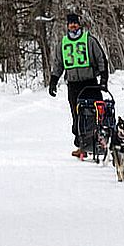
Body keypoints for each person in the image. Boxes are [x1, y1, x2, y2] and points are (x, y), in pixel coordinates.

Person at [48, 11, 110, 158]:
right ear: (67, 26)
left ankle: (102, 142)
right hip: (74, 85)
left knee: (97, 113)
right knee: (77, 116)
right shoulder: (63, 43)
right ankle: (82, 146)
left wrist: (104, 78)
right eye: (70, 24)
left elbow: (101, 58)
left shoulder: (89, 40)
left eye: (75, 23)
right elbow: (58, 64)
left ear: (79, 24)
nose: (73, 26)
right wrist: (53, 81)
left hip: (90, 83)